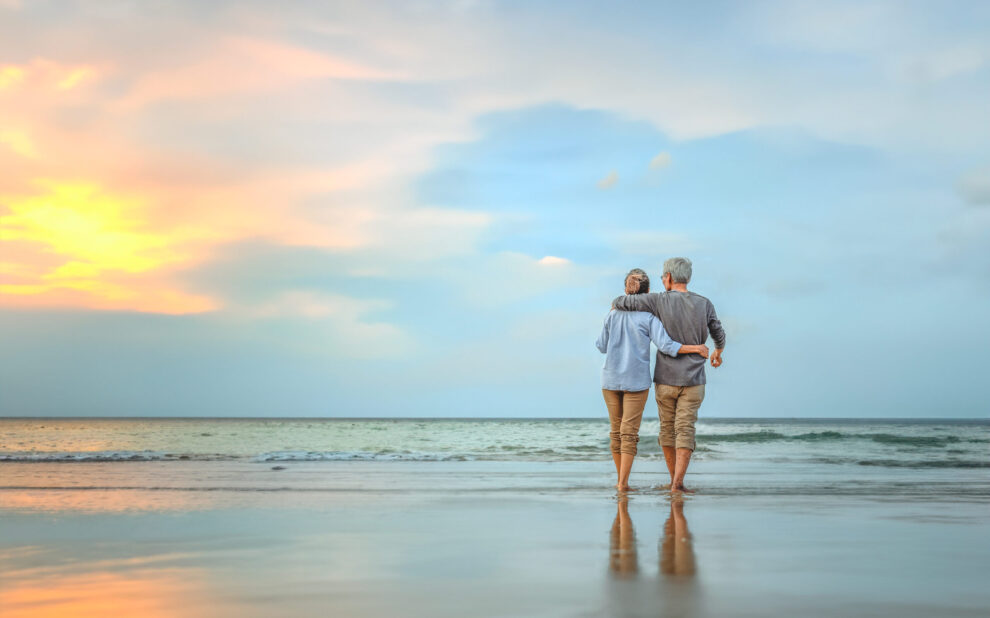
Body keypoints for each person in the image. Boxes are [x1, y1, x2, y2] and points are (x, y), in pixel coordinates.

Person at [612, 257, 726, 493]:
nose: (663, 280)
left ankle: (673, 478)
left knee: (667, 429)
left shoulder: (658, 300)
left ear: (670, 278)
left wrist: (618, 304)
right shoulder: (704, 303)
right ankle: (677, 483)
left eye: (664, 276)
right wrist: (718, 352)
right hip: (694, 380)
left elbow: (621, 302)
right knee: (685, 429)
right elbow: (718, 331)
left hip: (665, 379)